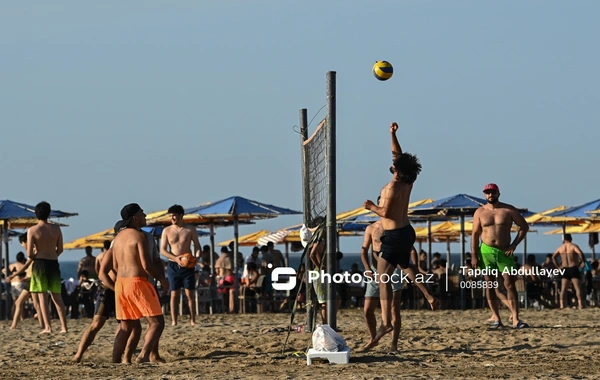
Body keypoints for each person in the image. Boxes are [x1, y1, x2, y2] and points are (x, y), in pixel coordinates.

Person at [363, 122, 439, 345]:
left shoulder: (389, 188)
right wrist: (393, 134)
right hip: (407, 231)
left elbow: (384, 211)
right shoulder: (409, 180)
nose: (392, 163)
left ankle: (386, 322)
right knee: (406, 266)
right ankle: (428, 295)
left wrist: (370, 206)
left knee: (382, 277)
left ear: (397, 169)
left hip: (394, 234)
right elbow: (398, 154)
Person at [112, 203, 169, 363]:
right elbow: (146, 265)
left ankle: (116, 361)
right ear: (135, 218)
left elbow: (115, 266)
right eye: (142, 213)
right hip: (136, 282)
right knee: (157, 323)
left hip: (121, 284)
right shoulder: (140, 236)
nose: (145, 216)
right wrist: (162, 279)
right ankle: (143, 356)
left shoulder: (118, 239)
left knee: (125, 327)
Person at [471, 183, 530, 329]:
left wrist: (514, 244)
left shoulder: (508, 210)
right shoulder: (480, 212)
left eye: (493, 192)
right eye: (488, 193)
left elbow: (524, 227)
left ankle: (515, 319)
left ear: (498, 193)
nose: (490, 195)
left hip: (505, 251)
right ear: (485, 195)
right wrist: (474, 255)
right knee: (490, 284)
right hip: (486, 251)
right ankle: (496, 318)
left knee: (509, 283)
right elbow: (475, 234)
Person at [360, 217, 404, 353]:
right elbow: (364, 250)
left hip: (394, 267)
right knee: (367, 310)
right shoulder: (371, 228)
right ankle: (374, 339)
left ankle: (393, 345)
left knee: (393, 308)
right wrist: (367, 268)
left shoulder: (397, 225)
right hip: (375, 270)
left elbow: (409, 248)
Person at [27, 201, 68, 334]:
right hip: (53, 262)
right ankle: (64, 327)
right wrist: (52, 255)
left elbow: (29, 253)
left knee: (42, 297)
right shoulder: (56, 228)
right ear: (49, 213)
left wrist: (37, 255)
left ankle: (48, 327)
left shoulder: (33, 230)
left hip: (40, 263)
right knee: (57, 297)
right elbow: (60, 249)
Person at [160, 204, 201, 326]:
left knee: (190, 294)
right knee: (174, 294)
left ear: (181, 216)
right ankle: (174, 321)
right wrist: (175, 258)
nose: (172, 218)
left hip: (188, 265)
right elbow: (163, 250)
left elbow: (198, 247)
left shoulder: (190, 229)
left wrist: (196, 258)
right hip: (173, 265)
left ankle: (193, 320)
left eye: (174, 216)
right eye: (171, 216)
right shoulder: (166, 230)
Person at [7, 233, 47, 330]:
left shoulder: (33, 251)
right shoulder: (35, 250)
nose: (22, 246)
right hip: (31, 280)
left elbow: (26, 266)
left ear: (26, 242)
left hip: (33, 279)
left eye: (22, 243)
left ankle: (42, 325)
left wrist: (13, 275)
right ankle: (14, 326)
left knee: (34, 304)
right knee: (23, 303)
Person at [552, 233, 586, 309]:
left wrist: (558, 266)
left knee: (563, 289)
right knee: (577, 288)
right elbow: (580, 253)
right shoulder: (573, 246)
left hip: (565, 269)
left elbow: (553, 257)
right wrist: (582, 262)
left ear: (564, 240)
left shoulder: (560, 248)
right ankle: (580, 304)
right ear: (571, 238)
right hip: (573, 268)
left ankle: (562, 305)